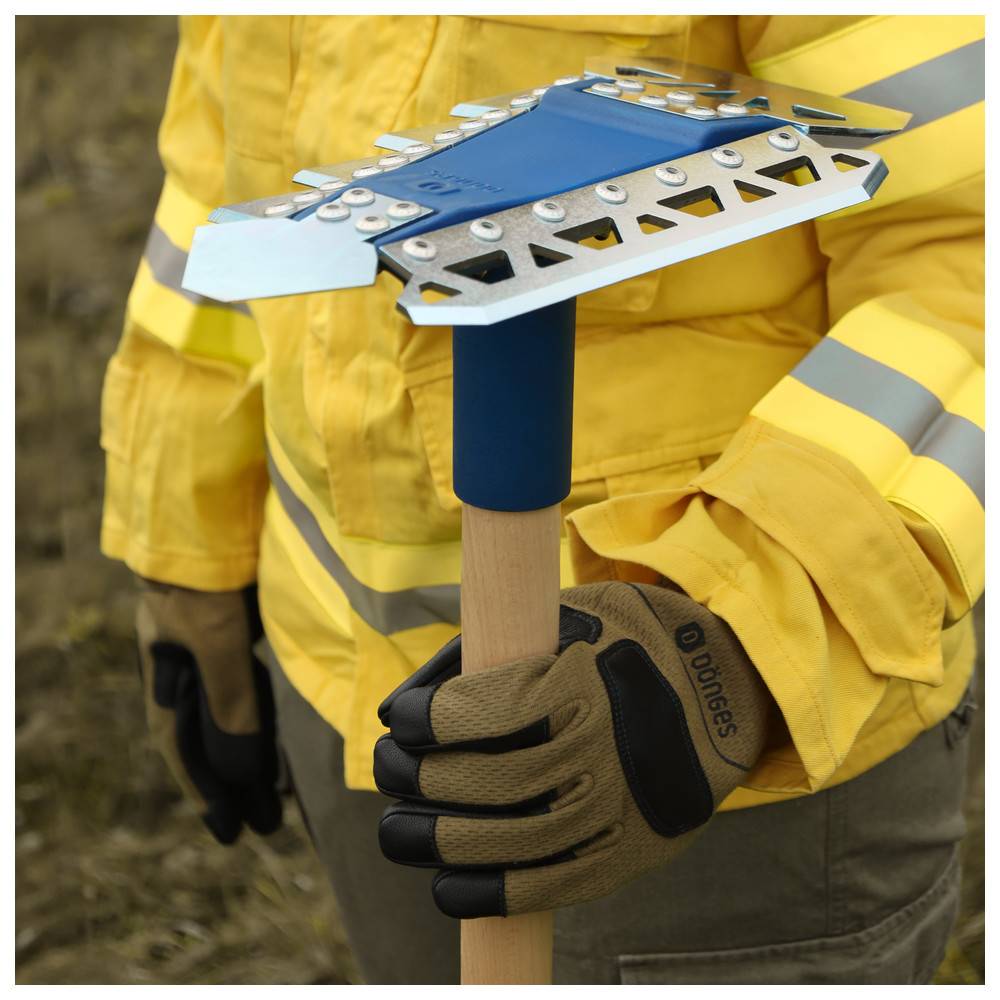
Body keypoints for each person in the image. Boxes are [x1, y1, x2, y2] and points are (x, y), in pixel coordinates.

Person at [100, 14, 984, 984]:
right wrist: (185, 537)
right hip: (354, 712)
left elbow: (959, 253)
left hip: (709, 767)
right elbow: (223, 180)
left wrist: (734, 639)